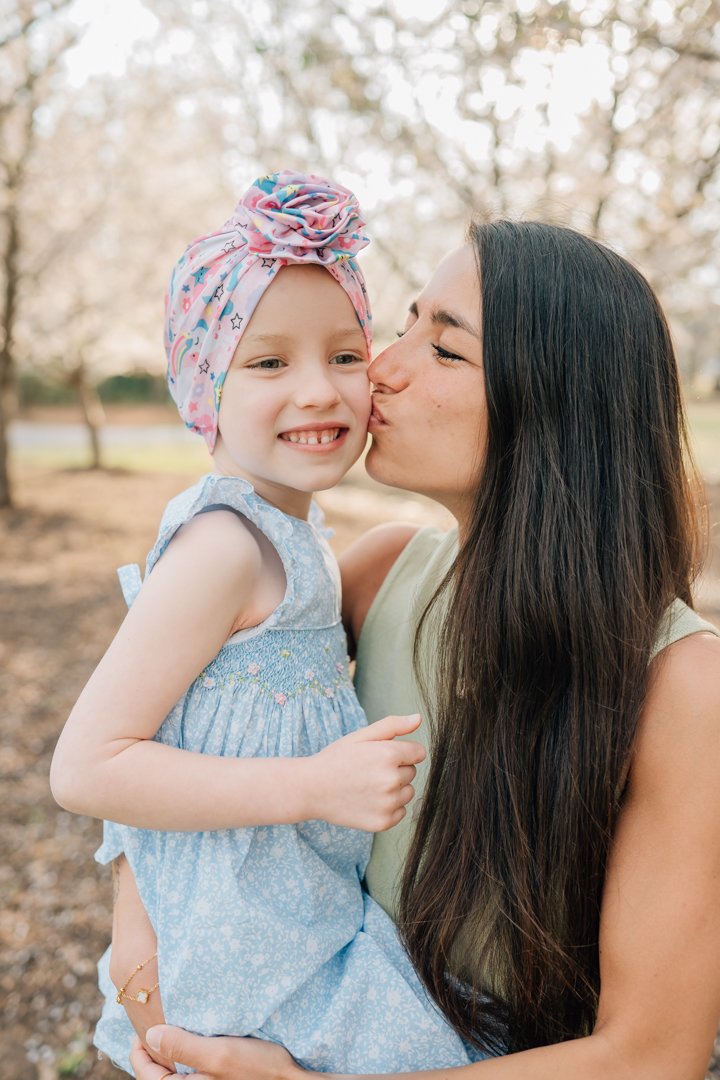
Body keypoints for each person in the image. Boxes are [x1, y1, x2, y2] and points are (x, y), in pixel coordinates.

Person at [128, 220, 720, 1080]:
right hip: (344, 1017)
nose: (380, 367)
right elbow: (163, 725)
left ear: (556, 405)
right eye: (405, 323)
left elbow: (650, 1055)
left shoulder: (682, 686)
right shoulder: (377, 574)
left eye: (444, 349)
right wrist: (150, 974)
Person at [50, 172, 485, 1076]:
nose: (320, 391)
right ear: (204, 385)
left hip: (293, 924)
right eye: (269, 363)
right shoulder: (224, 545)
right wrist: (312, 785)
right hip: (248, 955)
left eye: (346, 355)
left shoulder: (298, 541)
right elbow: (86, 767)